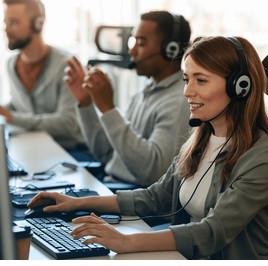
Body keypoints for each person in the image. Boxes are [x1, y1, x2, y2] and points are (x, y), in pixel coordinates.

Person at [28, 36, 268, 260]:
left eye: (201, 80)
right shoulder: (201, 139)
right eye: (186, 79)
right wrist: (76, 203)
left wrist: (126, 242)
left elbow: (212, 232)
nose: (187, 91)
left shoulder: (262, 158)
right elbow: (155, 198)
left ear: (239, 87)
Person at [64, 11, 191, 189]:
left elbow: (154, 172)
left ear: (171, 49)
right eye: (133, 41)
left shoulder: (179, 101)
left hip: (131, 196)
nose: (131, 50)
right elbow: (107, 153)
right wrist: (86, 103)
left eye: (141, 42)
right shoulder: (144, 93)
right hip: (111, 185)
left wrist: (108, 109)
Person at [0, 0, 84, 150]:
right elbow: (20, 105)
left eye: (13, 23)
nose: (6, 30)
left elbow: (67, 124)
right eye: (5, 23)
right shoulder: (11, 64)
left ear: (38, 24)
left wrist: (11, 117)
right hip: (33, 147)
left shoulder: (66, 65)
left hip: (70, 152)